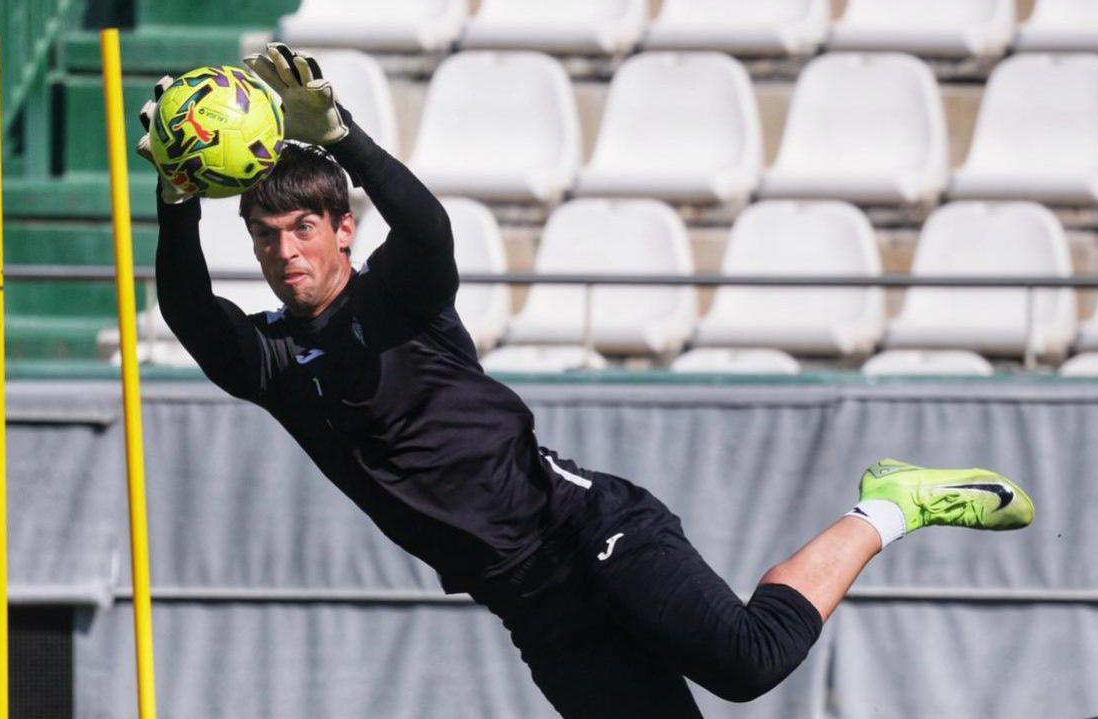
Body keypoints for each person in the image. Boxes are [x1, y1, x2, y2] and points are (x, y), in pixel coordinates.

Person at [138, 43, 1036, 719]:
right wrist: (177, 196)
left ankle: (890, 504)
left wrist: (346, 137)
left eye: (303, 228)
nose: (285, 252)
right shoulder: (273, 361)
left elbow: (428, 228)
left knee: (748, 662)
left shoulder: (399, 298)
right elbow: (187, 310)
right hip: (530, 605)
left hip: (588, 531)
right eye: (267, 238)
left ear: (341, 230)